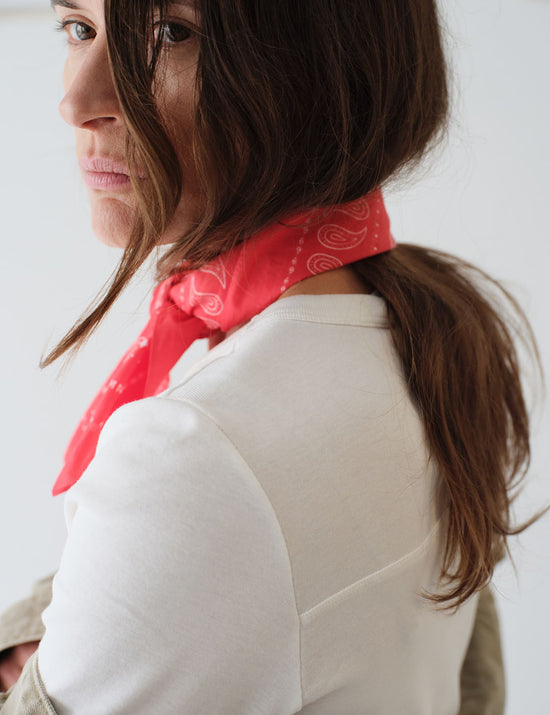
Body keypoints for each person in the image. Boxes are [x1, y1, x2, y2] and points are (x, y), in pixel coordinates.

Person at [0, 0, 546, 712]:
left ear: (318, 64)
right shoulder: (430, 330)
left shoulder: (197, 451)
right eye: (80, 28)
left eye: (169, 34)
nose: (77, 102)